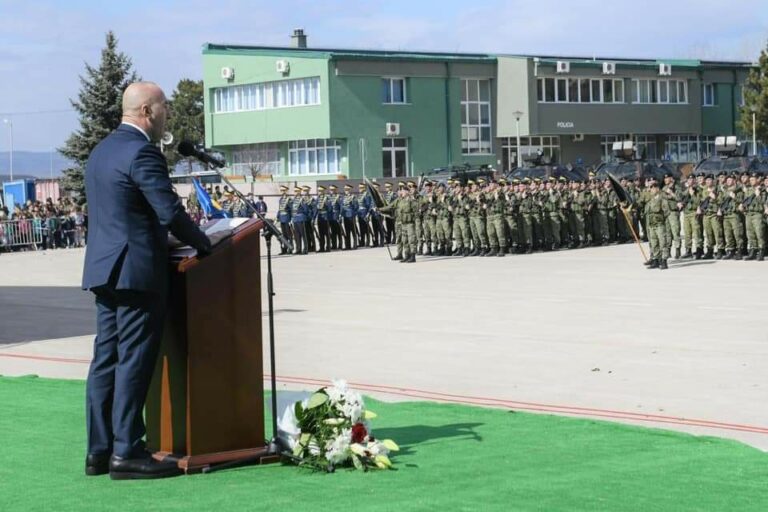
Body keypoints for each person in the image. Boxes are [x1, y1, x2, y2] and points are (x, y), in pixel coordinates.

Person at [81, 82, 212, 480]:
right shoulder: (142, 153)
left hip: (104, 270)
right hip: (137, 273)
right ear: (148, 112)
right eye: (164, 107)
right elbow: (169, 212)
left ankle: (99, 451)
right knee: (134, 361)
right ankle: (127, 451)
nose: (167, 114)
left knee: (106, 360)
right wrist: (207, 245)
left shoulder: (101, 152)